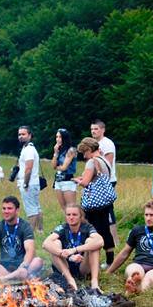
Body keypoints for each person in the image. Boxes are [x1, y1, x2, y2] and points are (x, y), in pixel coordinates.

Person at [0, 196, 44, 282]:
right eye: (4, 208)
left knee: (38, 261)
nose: (6, 211)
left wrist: (24, 265)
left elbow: (30, 249)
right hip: (4, 268)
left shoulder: (25, 226)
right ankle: (14, 277)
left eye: (9, 208)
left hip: (22, 266)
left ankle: (4, 278)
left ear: (17, 210)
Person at [74, 137, 116, 266]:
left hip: (94, 204)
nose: (84, 155)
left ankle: (86, 258)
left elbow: (86, 182)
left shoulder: (92, 162)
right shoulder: (104, 160)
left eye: (84, 152)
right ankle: (110, 260)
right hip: (105, 201)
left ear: (89, 149)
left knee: (90, 230)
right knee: (105, 229)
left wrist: (77, 180)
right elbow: (97, 178)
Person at [42, 204, 104, 291]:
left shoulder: (87, 227)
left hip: (83, 266)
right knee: (55, 243)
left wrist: (74, 250)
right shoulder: (62, 228)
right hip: (65, 266)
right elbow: (45, 243)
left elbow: (100, 241)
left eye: (74, 215)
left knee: (92, 242)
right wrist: (68, 256)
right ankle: (70, 279)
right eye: (68, 215)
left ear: (80, 216)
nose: (71, 217)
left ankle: (94, 282)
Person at [90, 119, 120, 254]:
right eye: (92, 129)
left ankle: (114, 239)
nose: (93, 131)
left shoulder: (107, 144)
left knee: (107, 211)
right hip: (97, 181)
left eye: (96, 129)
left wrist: (100, 179)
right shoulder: (94, 144)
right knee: (102, 212)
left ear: (103, 130)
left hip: (107, 180)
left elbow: (107, 164)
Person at [16, 126, 43, 232]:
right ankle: (40, 230)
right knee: (36, 207)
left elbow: (28, 168)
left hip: (29, 182)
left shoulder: (29, 150)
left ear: (30, 135)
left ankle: (29, 233)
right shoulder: (27, 148)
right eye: (19, 134)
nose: (21, 136)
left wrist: (25, 183)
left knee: (31, 209)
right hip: (33, 182)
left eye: (23, 134)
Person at [51, 128, 76, 210]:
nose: (58, 139)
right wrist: (56, 153)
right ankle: (66, 222)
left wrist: (58, 167)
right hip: (58, 180)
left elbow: (64, 167)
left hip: (68, 180)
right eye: (57, 137)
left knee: (71, 207)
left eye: (60, 137)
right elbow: (53, 165)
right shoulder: (59, 150)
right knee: (63, 207)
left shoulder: (71, 150)